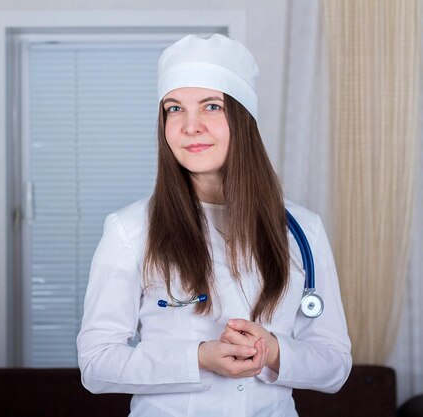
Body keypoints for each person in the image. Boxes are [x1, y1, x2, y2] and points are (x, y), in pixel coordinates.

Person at [76, 33, 352, 417]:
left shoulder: (304, 230)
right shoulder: (129, 231)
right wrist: (199, 358)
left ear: (243, 119)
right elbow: (96, 364)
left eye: (211, 106)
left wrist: (273, 351)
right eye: (174, 109)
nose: (190, 126)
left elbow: (335, 366)